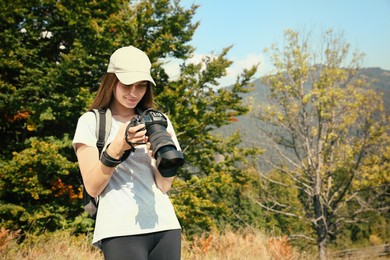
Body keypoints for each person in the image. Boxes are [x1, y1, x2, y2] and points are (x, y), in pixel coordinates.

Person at [72, 46, 182, 260]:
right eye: (127, 85)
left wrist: (157, 156)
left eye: (141, 86)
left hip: (166, 225)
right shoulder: (91, 122)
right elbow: (93, 187)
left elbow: (164, 186)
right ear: (111, 81)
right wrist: (118, 147)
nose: (134, 93)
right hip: (119, 229)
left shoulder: (159, 121)